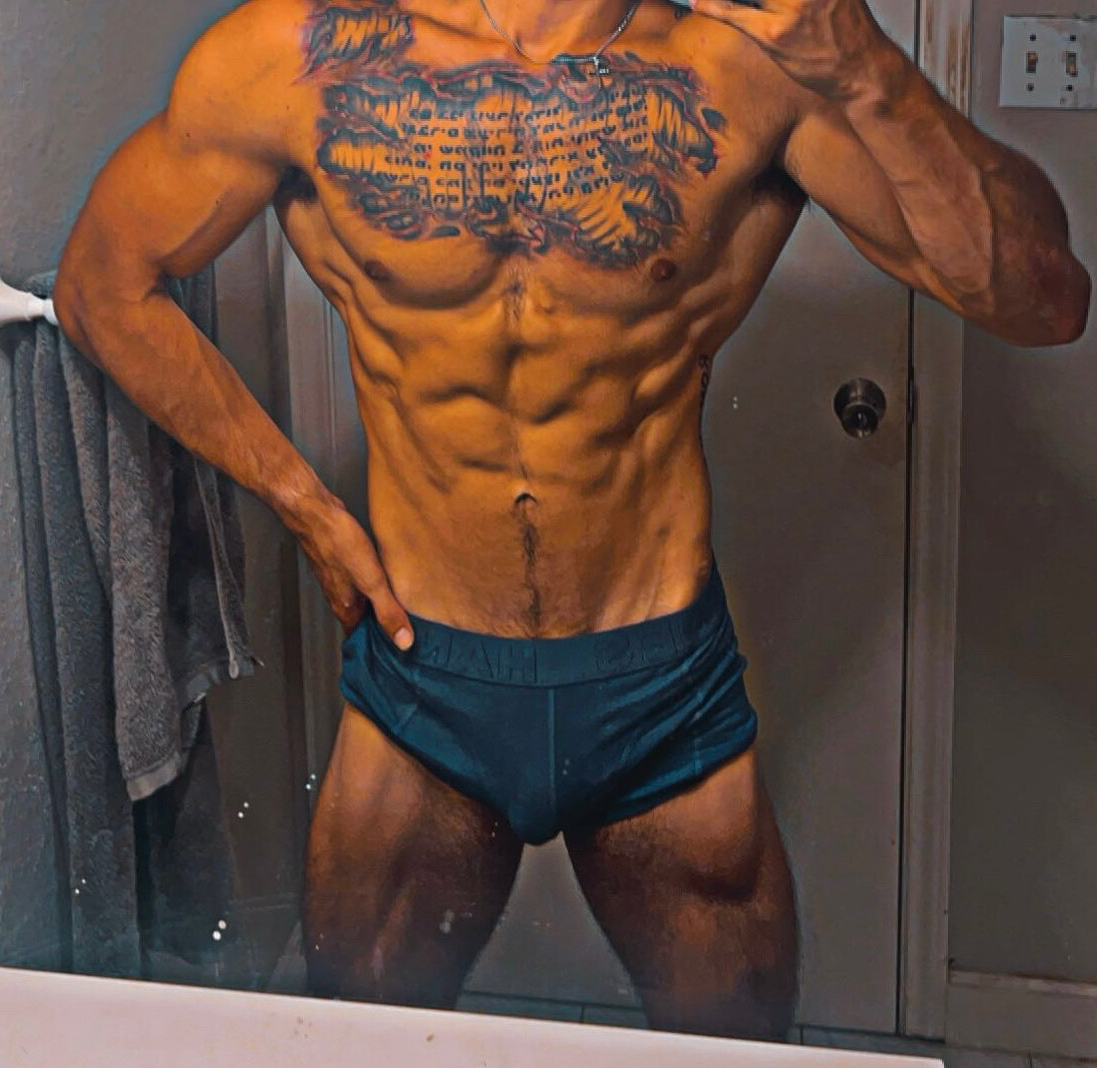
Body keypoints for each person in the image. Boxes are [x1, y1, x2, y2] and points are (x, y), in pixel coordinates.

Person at [54, 0, 1090, 1040]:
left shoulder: (744, 68)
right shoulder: (298, 58)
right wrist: (306, 507)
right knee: (363, 1046)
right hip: (422, 675)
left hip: (658, 688)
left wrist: (866, 66)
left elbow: (1043, 302)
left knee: (731, 1051)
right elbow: (104, 285)